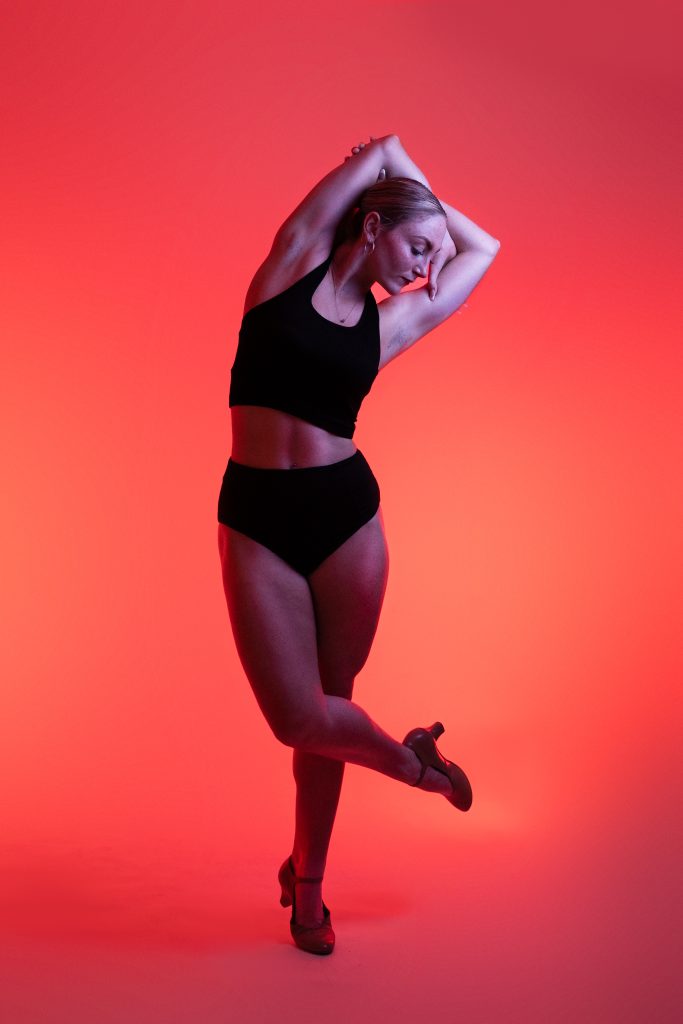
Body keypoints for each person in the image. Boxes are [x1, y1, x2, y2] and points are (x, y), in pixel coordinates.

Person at [217, 134, 500, 955]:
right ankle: (414, 766)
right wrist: (408, 195)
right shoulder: (289, 265)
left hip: (347, 516)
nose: (425, 270)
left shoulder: (391, 323)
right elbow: (383, 146)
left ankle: (308, 890)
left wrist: (433, 232)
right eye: (415, 248)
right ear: (369, 226)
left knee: (333, 702)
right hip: (256, 515)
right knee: (301, 719)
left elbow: (486, 248)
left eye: (430, 260)